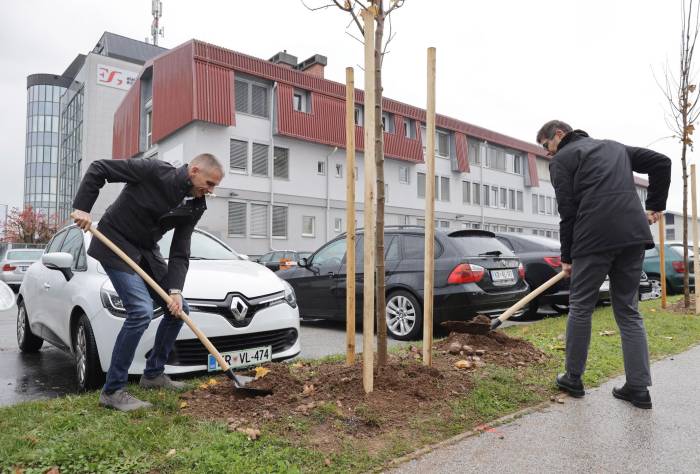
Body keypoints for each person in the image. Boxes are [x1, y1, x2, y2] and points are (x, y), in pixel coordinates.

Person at [72, 153, 224, 411]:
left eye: (214, 187)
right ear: (194, 171)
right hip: (115, 242)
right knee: (140, 311)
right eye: (209, 184)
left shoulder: (196, 205)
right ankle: (112, 390)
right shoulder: (153, 170)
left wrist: (175, 291)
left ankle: (153, 375)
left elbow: (180, 250)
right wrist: (83, 207)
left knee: (178, 309)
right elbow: (100, 168)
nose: (210, 191)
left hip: (145, 251)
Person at [537, 120, 671, 409]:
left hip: (593, 238)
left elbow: (567, 210)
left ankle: (573, 378)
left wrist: (567, 257)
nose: (549, 155)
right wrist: (655, 204)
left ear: (558, 135)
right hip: (633, 235)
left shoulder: (562, 160)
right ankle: (638, 388)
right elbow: (662, 162)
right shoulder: (615, 147)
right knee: (628, 310)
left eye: (547, 148)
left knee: (581, 307)